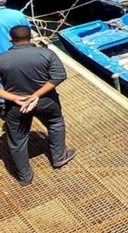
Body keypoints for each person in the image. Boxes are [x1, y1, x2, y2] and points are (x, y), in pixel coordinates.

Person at [0, 25, 75, 185]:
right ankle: (59, 157)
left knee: (17, 140)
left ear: (10, 39)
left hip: (16, 106)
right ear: (31, 36)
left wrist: (14, 98)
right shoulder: (46, 54)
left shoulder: (2, 59)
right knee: (55, 124)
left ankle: (25, 176)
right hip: (46, 101)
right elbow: (59, 76)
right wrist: (35, 95)